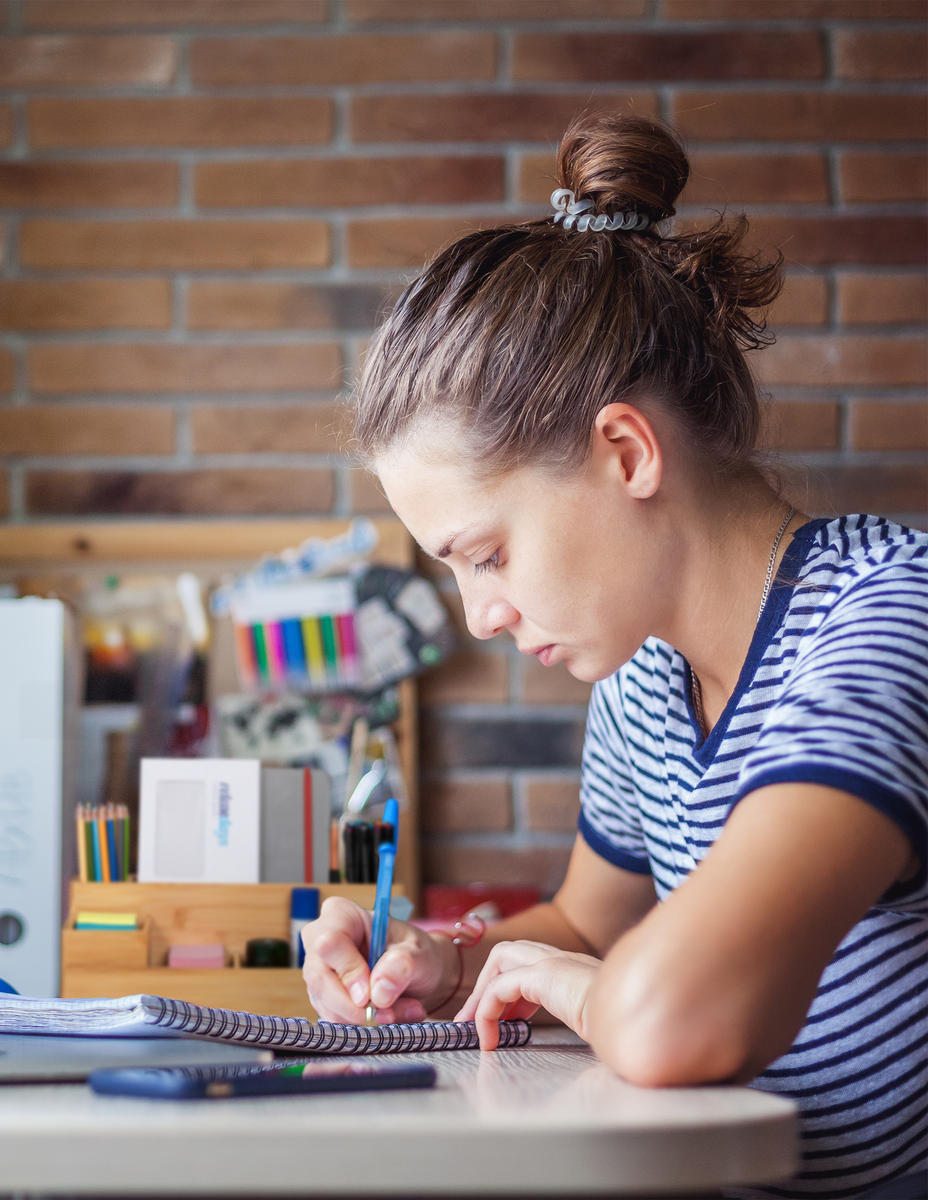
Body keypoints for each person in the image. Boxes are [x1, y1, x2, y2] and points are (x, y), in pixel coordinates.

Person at [300, 112, 926, 1199]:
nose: (479, 615)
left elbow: (671, 1016)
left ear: (626, 452)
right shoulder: (645, 677)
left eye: (486, 554)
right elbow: (596, 921)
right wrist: (450, 959)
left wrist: (570, 981)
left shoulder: (888, 624)